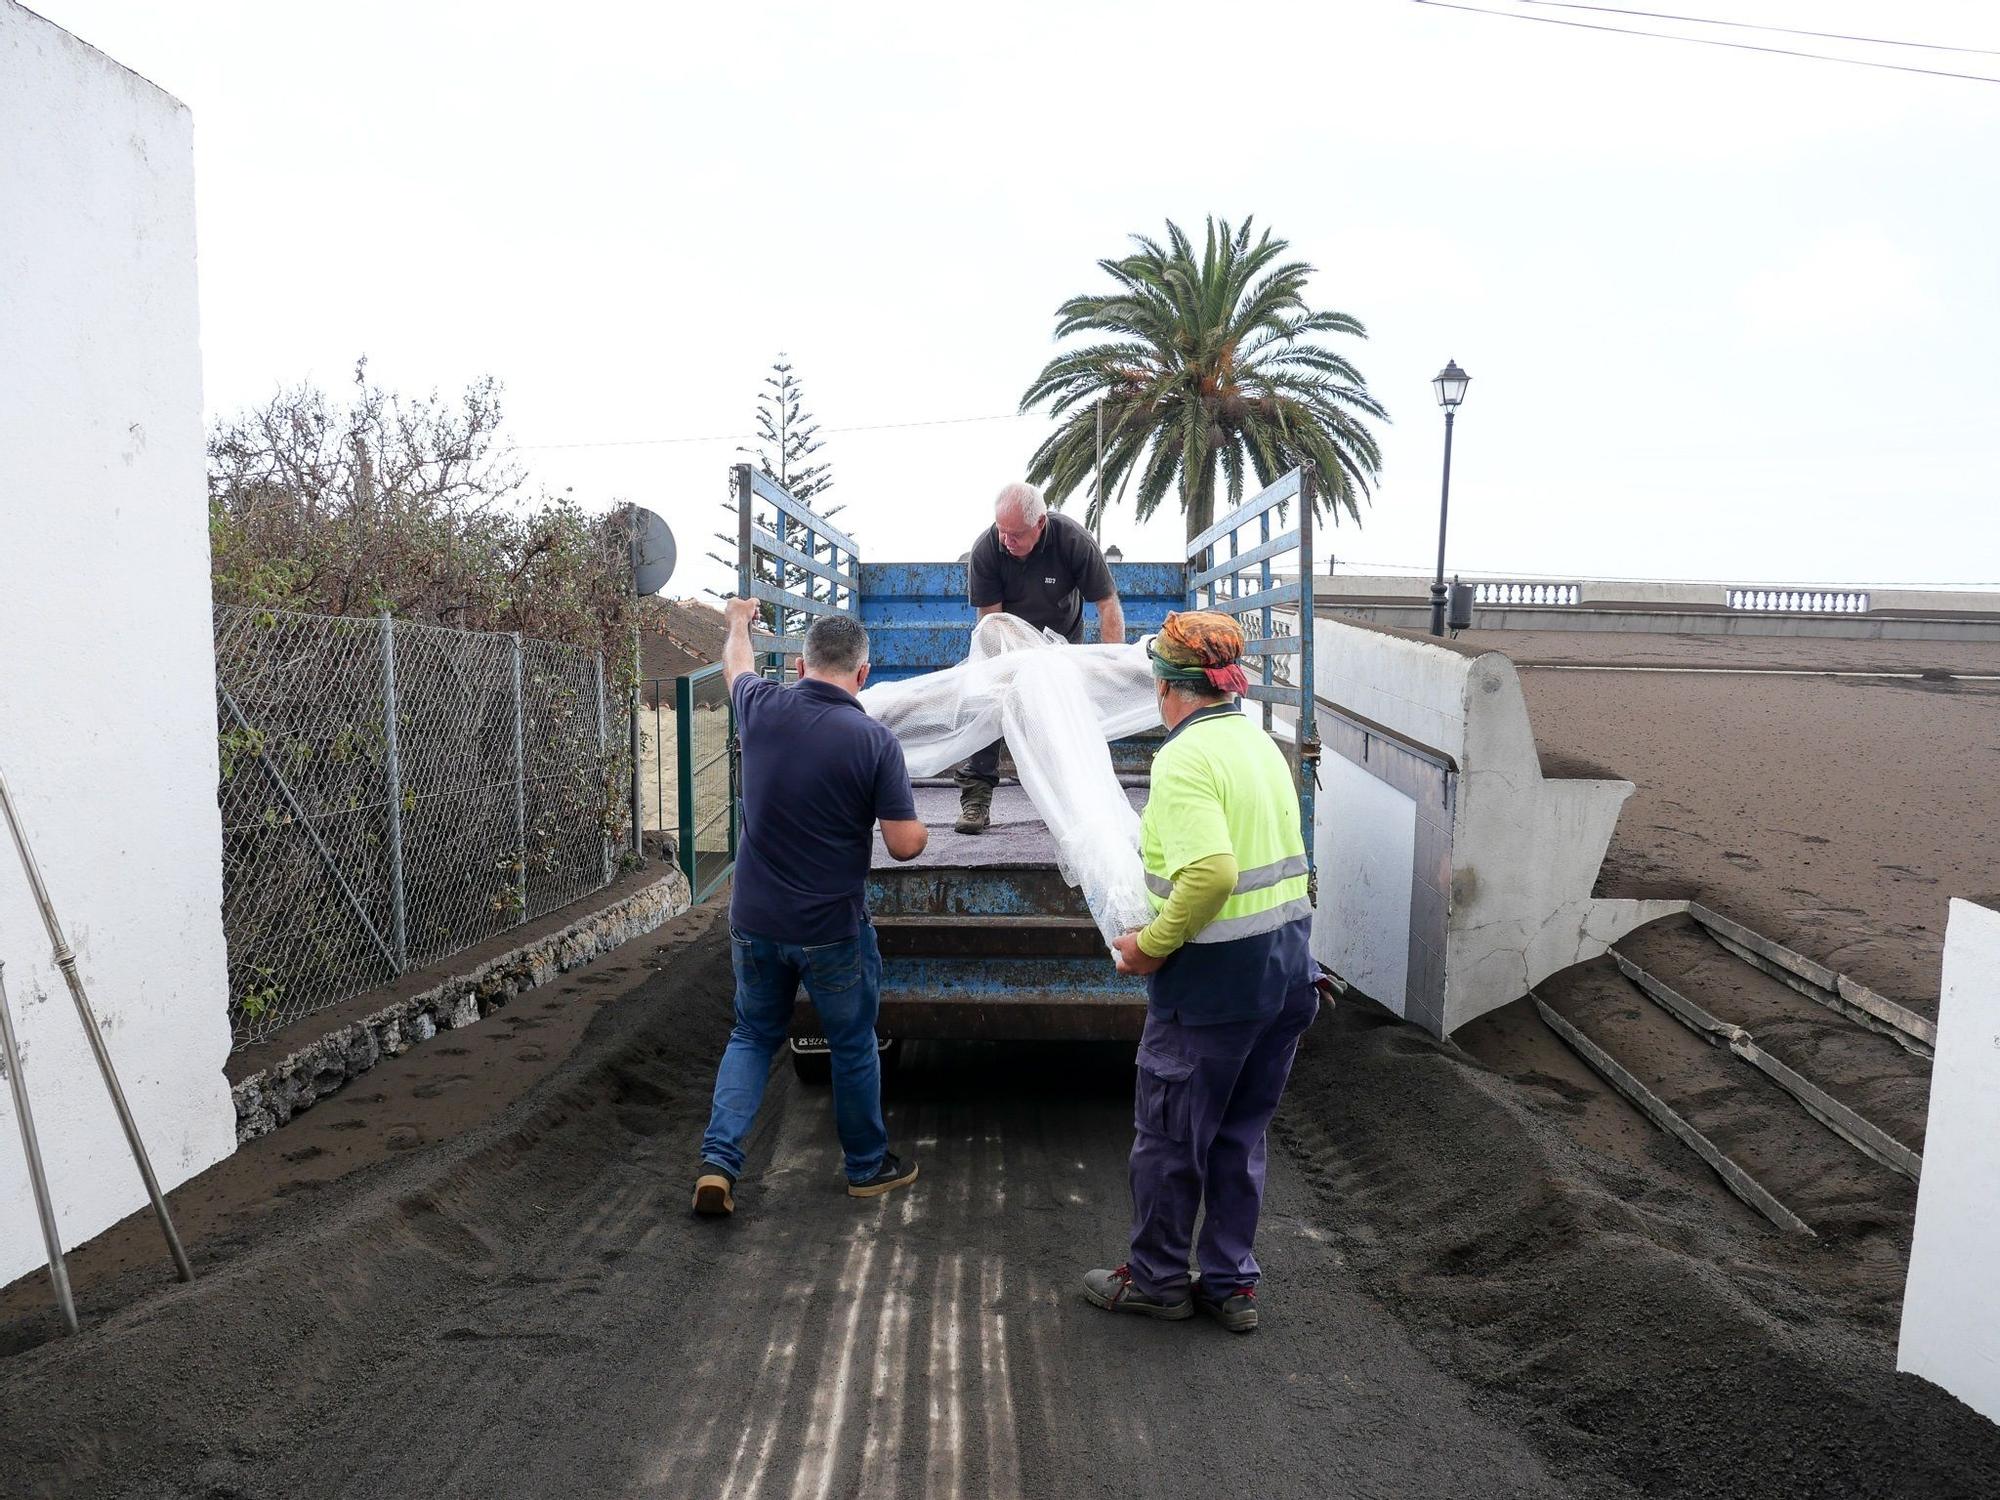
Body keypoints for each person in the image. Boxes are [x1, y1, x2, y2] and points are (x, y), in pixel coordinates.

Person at [1084, 611, 1320, 1333]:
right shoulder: (1257, 744)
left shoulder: (1183, 760)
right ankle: (1229, 1284)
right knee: (1238, 1136)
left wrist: (1151, 945)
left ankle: (1158, 1279)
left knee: (1169, 1138)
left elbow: (1212, 871)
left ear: (1166, 689)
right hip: (1286, 974)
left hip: (1214, 986)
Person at [693, 599, 929, 1216]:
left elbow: (737, 665)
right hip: (831, 930)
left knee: (751, 1034)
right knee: (852, 1044)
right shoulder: (874, 741)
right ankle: (866, 1167)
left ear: (798, 666)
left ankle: (718, 1164)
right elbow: (905, 845)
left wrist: (738, 621)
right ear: (864, 674)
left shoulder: (759, 706)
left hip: (755, 921)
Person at [955, 481, 1125, 834]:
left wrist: (1112, 663)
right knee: (984, 706)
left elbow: (1108, 606)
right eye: (1002, 532)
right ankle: (976, 798)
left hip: (1060, 646)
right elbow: (991, 622)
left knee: (1063, 720)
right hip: (1006, 642)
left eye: (1016, 534)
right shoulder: (988, 548)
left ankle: (1069, 802)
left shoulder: (1072, 540)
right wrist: (998, 673)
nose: (1007, 541)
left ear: (1041, 524)